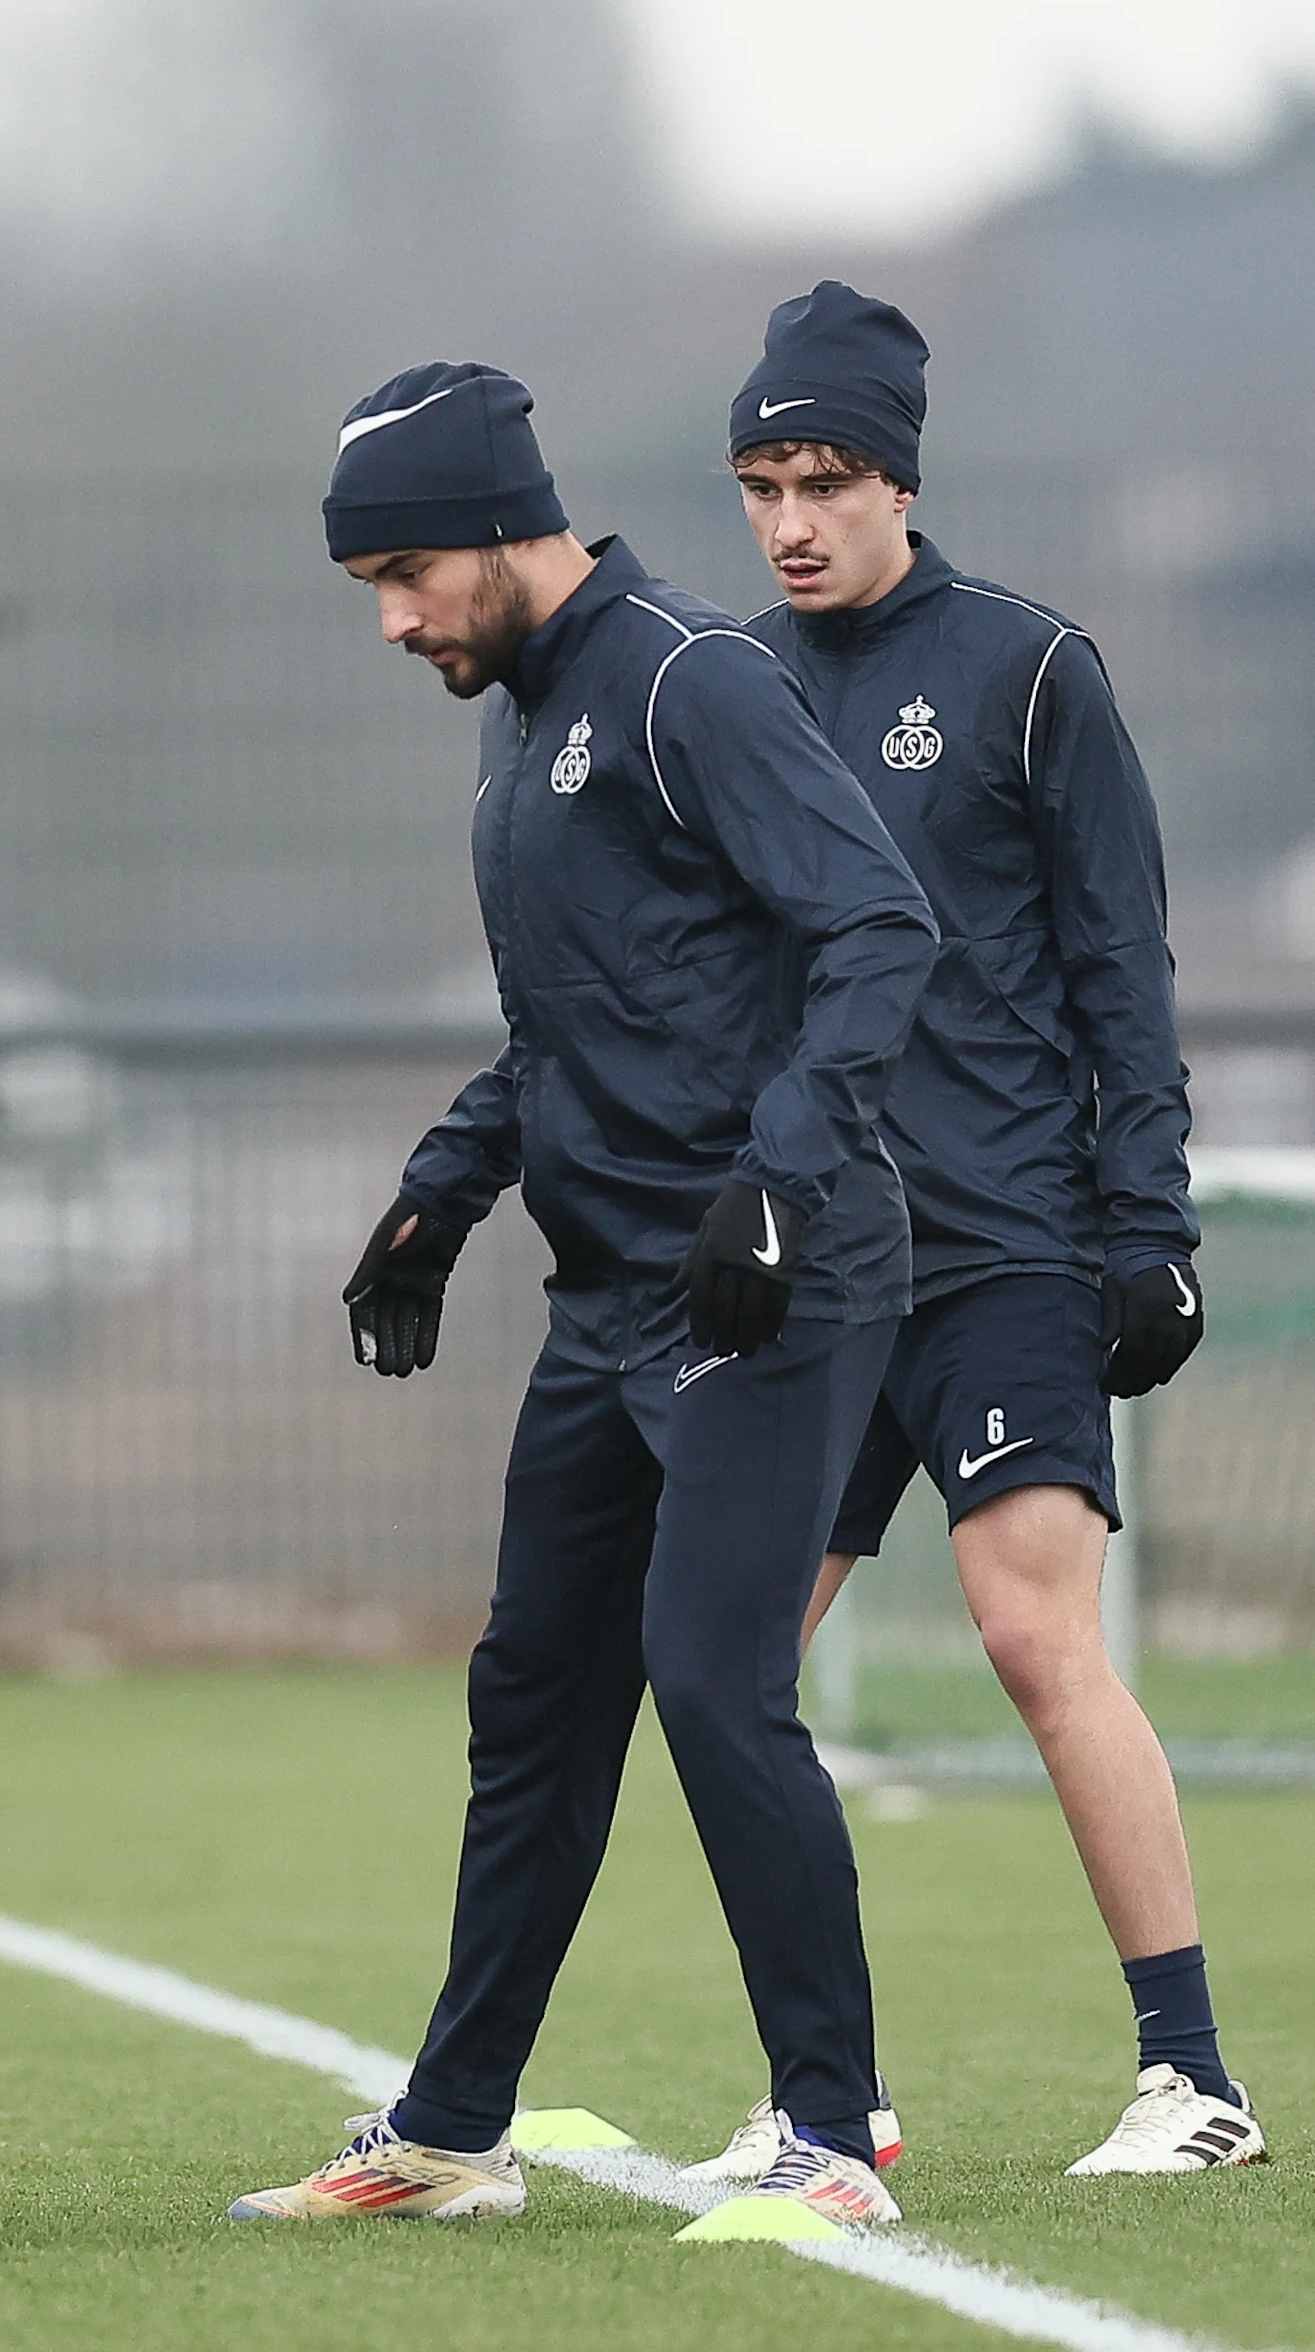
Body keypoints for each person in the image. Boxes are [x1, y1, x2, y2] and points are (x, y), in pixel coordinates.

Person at [236, 363, 939, 2233]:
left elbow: (880, 926)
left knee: (714, 1685)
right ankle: (451, 2131)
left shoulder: (689, 680)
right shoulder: (516, 714)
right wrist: (439, 1194)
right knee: (534, 1700)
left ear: (494, 530)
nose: (391, 623)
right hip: (609, 1296)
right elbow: (574, 1022)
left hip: (769, 1285)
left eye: (403, 576)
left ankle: (835, 2135)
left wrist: (777, 1179)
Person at [690, 283, 1254, 2181]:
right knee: (728, 1663)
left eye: (826, 476)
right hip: (819, 1269)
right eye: (762, 481)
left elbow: (1122, 968)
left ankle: (1193, 2080)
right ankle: (821, 2096)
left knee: (1031, 1640)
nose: (791, 517)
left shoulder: (1031, 671)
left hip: (1009, 1251)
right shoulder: (729, 687)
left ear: (900, 483)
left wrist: (1149, 1222)